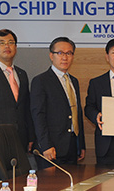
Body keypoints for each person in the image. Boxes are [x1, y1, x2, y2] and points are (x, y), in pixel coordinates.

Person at [30, 37, 85, 168]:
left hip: (72, 147)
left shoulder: (74, 81)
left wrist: (80, 144)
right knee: (52, 187)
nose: (64, 57)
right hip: (50, 148)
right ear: (51, 55)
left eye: (69, 53)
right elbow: (38, 115)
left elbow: (76, 113)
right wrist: (46, 145)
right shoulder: (41, 81)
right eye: (60, 53)